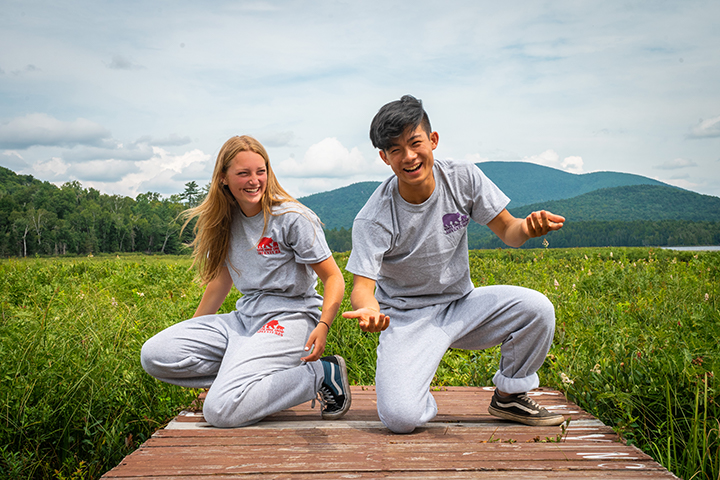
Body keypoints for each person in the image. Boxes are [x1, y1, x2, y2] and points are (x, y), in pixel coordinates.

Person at [342, 95, 566, 434]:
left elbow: (508, 230)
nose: (409, 156)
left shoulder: (463, 178)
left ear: (432, 140)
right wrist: (369, 311)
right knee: (401, 419)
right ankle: (413, 389)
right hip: (406, 317)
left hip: (462, 305)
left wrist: (528, 228)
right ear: (384, 158)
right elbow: (362, 288)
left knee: (537, 308)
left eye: (415, 143)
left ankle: (510, 396)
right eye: (396, 149)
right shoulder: (373, 217)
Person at [141, 135, 350, 427]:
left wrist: (323, 325)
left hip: (289, 318)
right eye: (243, 173)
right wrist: (193, 331)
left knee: (221, 411)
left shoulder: (291, 218)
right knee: (155, 355)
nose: (254, 181)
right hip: (245, 320)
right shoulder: (225, 220)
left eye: (260, 171)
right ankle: (246, 381)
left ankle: (319, 375)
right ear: (224, 178)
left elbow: (333, 278)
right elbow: (219, 284)